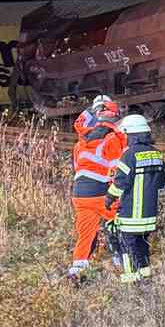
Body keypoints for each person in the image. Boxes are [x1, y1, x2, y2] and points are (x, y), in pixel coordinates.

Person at [66, 102, 126, 282]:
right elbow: (117, 171)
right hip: (101, 193)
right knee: (118, 225)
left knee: (85, 234)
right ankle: (121, 261)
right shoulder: (113, 139)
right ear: (115, 118)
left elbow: (78, 168)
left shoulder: (80, 142)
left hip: (79, 195)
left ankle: (77, 269)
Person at [105, 114, 165, 284]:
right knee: (142, 247)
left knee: (128, 248)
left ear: (131, 135)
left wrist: (109, 198)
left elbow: (121, 183)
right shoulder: (157, 154)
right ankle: (145, 278)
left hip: (131, 214)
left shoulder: (129, 155)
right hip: (149, 215)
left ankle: (132, 282)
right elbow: (161, 182)